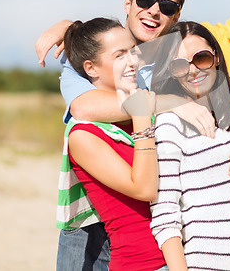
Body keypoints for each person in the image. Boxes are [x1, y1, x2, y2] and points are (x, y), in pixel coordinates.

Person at [42, 0, 214, 271]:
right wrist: (172, 103)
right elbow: (85, 107)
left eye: (167, 7)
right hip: (91, 221)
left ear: (176, 16)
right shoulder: (87, 52)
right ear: (128, 1)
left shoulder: (176, 60)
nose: (154, 11)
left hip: (155, 223)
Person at [149, 21, 230, 270]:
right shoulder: (170, 123)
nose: (193, 70)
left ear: (216, 58)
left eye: (202, 58)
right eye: (179, 65)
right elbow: (165, 212)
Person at [62, 17, 167, 270]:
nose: (133, 61)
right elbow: (143, 189)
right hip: (142, 262)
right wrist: (141, 115)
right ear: (91, 68)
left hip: (180, 257)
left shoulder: (145, 113)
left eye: (133, 51)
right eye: (120, 55)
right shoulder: (84, 134)